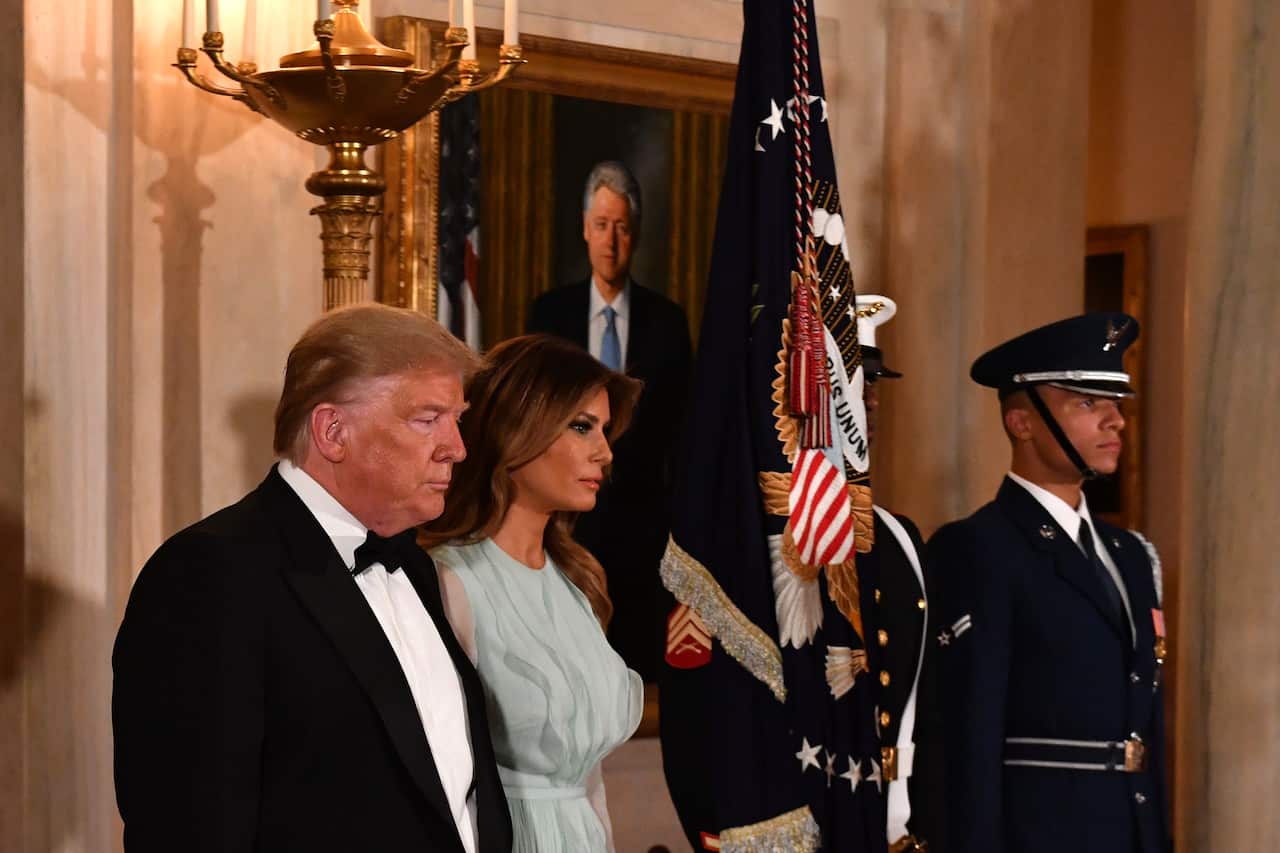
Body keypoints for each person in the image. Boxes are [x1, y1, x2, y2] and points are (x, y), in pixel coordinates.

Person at [112, 304, 513, 853]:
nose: (457, 448)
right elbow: (187, 826)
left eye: (456, 419)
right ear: (332, 431)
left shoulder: (413, 565)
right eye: (427, 419)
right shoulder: (210, 574)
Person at [927, 313, 1170, 853]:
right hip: (1037, 833)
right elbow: (968, 733)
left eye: (1116, 404)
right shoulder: (980, 547)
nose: (1116, 422)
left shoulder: (1129, 554)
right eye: (1088, 403)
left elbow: (1145, 728)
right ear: (1022, 422)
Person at [421, 334, 645, 853]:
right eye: (582, 426)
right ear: (517, 429)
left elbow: (590, 783)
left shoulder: (577, 584)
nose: (605, 453)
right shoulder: (451, 581)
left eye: (605, 431)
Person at [528, 160, 692, 681]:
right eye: (601, 225)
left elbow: (680, 433)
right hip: (563, 524)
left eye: (621, 227)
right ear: (584, 228)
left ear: (635, 233)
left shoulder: (668, 322)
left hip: (643, 530)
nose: (611, 240)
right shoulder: (549, 315)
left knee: (633, 672)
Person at [856, 296, 945, 853]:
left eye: (872, 391)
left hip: (897, 820)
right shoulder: (772, 538)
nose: (865, 405)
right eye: (848, 389)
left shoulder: (899, 535)